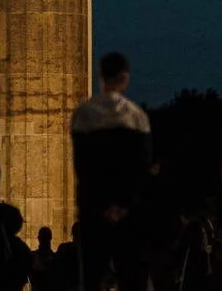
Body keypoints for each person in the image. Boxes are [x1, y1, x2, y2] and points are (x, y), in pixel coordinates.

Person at [71, 52, 152, 291]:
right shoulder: (137, 118)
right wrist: (124, 205)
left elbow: (83, 167)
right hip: (129, 213)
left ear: (100, 76)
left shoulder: (84, 114)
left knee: (92, 277)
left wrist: (101, 205)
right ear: (124, 78)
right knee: (131, 277)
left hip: (94, 209)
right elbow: (141, 169)